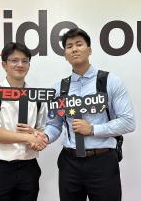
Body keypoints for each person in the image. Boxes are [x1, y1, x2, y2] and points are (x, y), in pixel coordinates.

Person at [44, 28, 136, 201]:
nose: (74, 49)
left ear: (90, 49)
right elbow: (54, 125)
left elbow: (128, 122)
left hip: (102, 161)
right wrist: (43, 138)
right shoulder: (58, 89)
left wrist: (93, 129)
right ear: (65, 54)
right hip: (69, 162)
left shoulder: (110, 81)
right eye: (69, 46)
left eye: (79, 44)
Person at [0, 42, 48, 201]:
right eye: (14, 60)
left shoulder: (37, 97)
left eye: (25, 61)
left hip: (29, 169)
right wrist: (28, 137)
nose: (20, 65)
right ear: (4, 64)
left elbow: (40, 129)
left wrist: (38, 139)